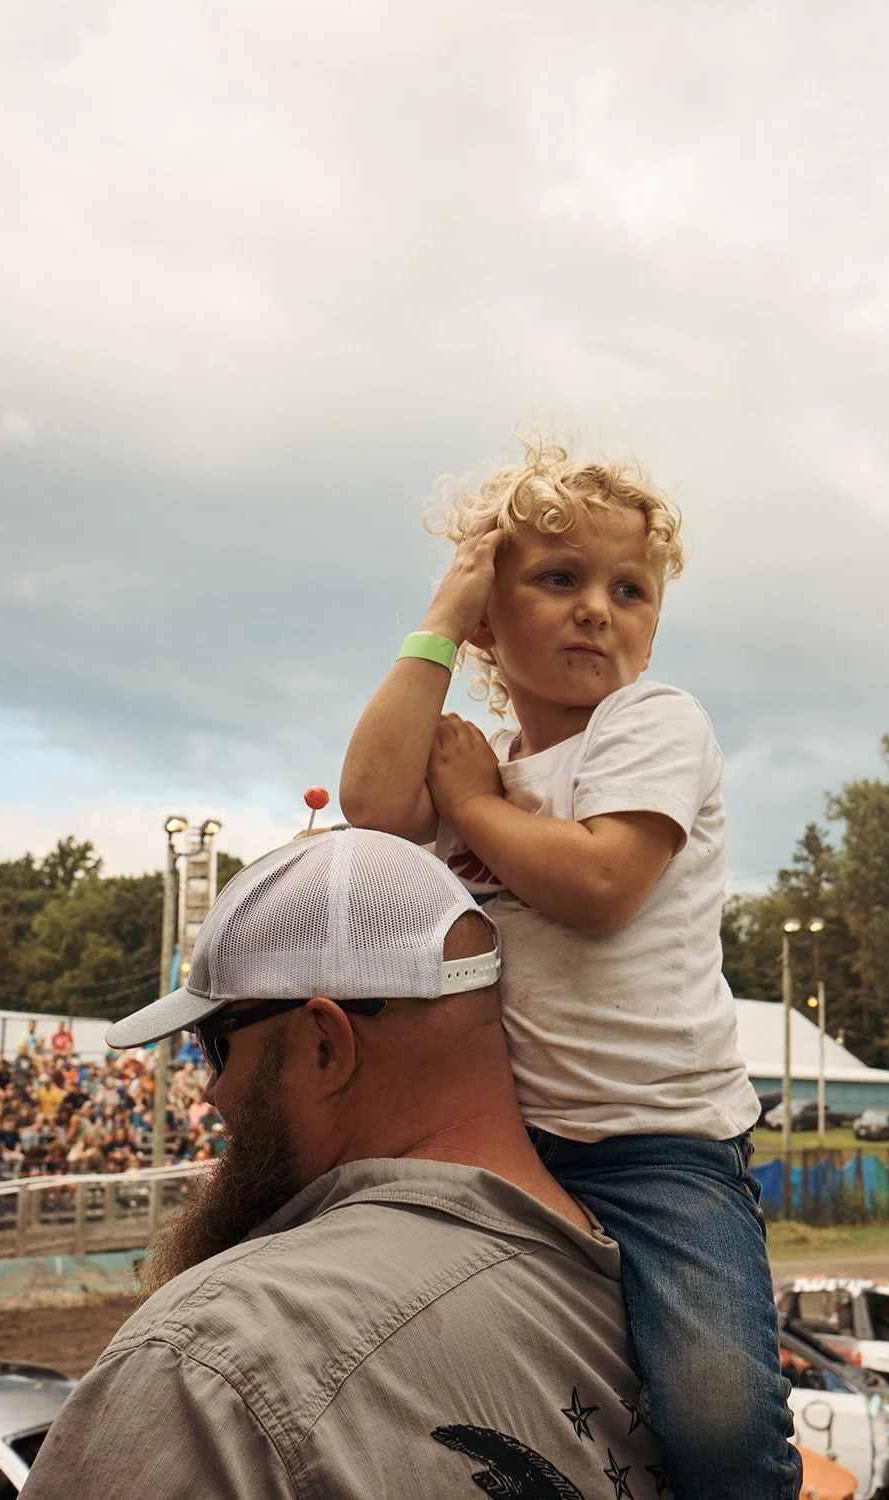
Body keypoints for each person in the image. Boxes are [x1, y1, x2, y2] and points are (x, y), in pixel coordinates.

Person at [340, 435, 800, 1500]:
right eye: (559, 580)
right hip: (513, 1141)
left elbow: (599, 886)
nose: (599, 607)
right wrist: (442, 622)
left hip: (660, 1150)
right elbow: (369, 800)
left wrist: (472, 808)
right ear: (495, 621)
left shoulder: (653, 723)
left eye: (629, 589)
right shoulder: (485, 762)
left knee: (719, 1418)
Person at [22, 830, 668, 1499]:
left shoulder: (207, 1363)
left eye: (215, 1045)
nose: (210, 1090)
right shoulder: (656, 1298)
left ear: (326, 1045)